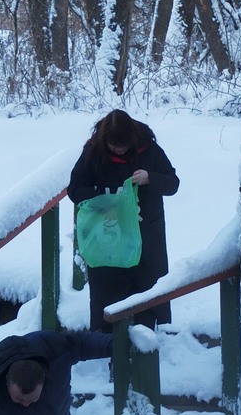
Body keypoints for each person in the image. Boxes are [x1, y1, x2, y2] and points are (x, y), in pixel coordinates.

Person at [68, 109, 180, 330]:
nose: (118, 148)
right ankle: (104, 338)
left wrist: (150, 178)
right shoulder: (93, 151)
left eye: (123, 144)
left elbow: (173, 183)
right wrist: (104, 201)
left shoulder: (149, 149)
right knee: (107, 287)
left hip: (146, 232)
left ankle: (152, 334)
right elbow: (75, 189)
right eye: (113, 144)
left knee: (148, 284)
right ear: (104, 140)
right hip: (108, 233)